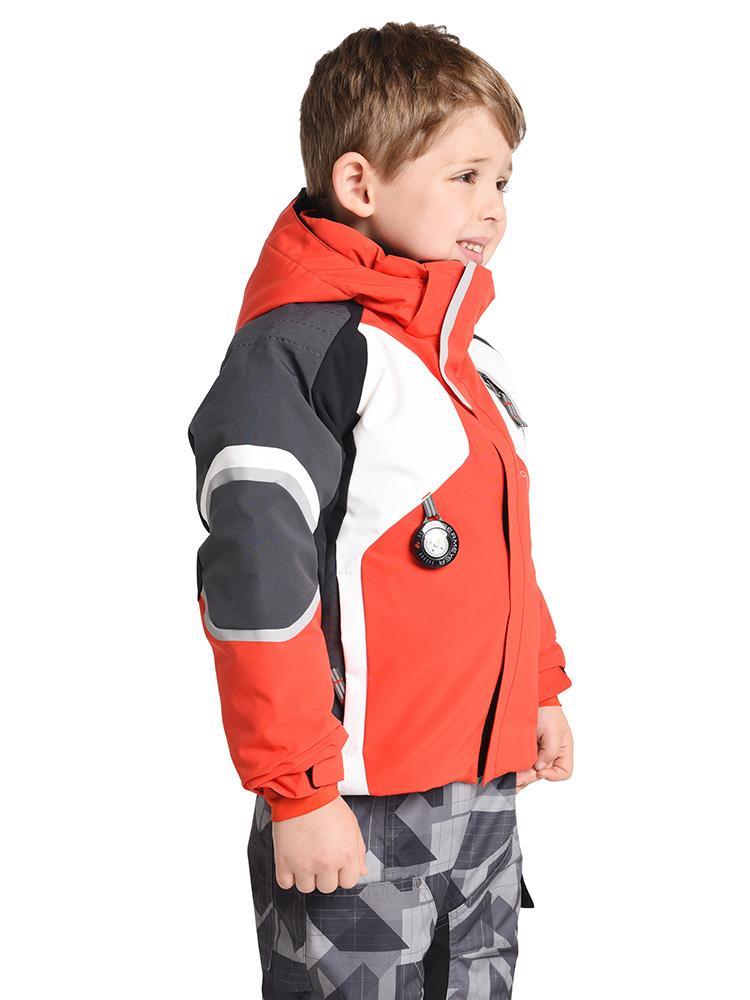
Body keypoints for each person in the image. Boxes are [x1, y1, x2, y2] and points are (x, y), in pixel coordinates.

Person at [187, 20, 574, 999]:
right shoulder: (303, 354)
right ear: (360, 183)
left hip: (481, 794)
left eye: (503, 181)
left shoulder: (458, 357)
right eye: (465, 176)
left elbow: (497, 547)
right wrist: (297, 792)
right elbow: (258, 584)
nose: (492, 207)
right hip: (352, 803)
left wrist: (537, 685)